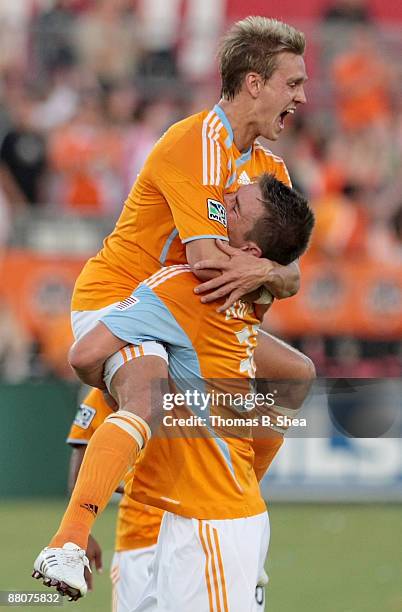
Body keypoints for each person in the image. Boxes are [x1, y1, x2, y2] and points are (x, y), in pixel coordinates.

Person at [33, 173, 315, 610]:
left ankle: (66, 541)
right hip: (190, 522)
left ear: (250, 252)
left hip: (212, 525)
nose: (221, 204)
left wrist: (111, 384)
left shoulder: (181, 290)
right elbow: (298, 370)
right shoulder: (252, 302)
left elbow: (84, 354)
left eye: (236, 207)